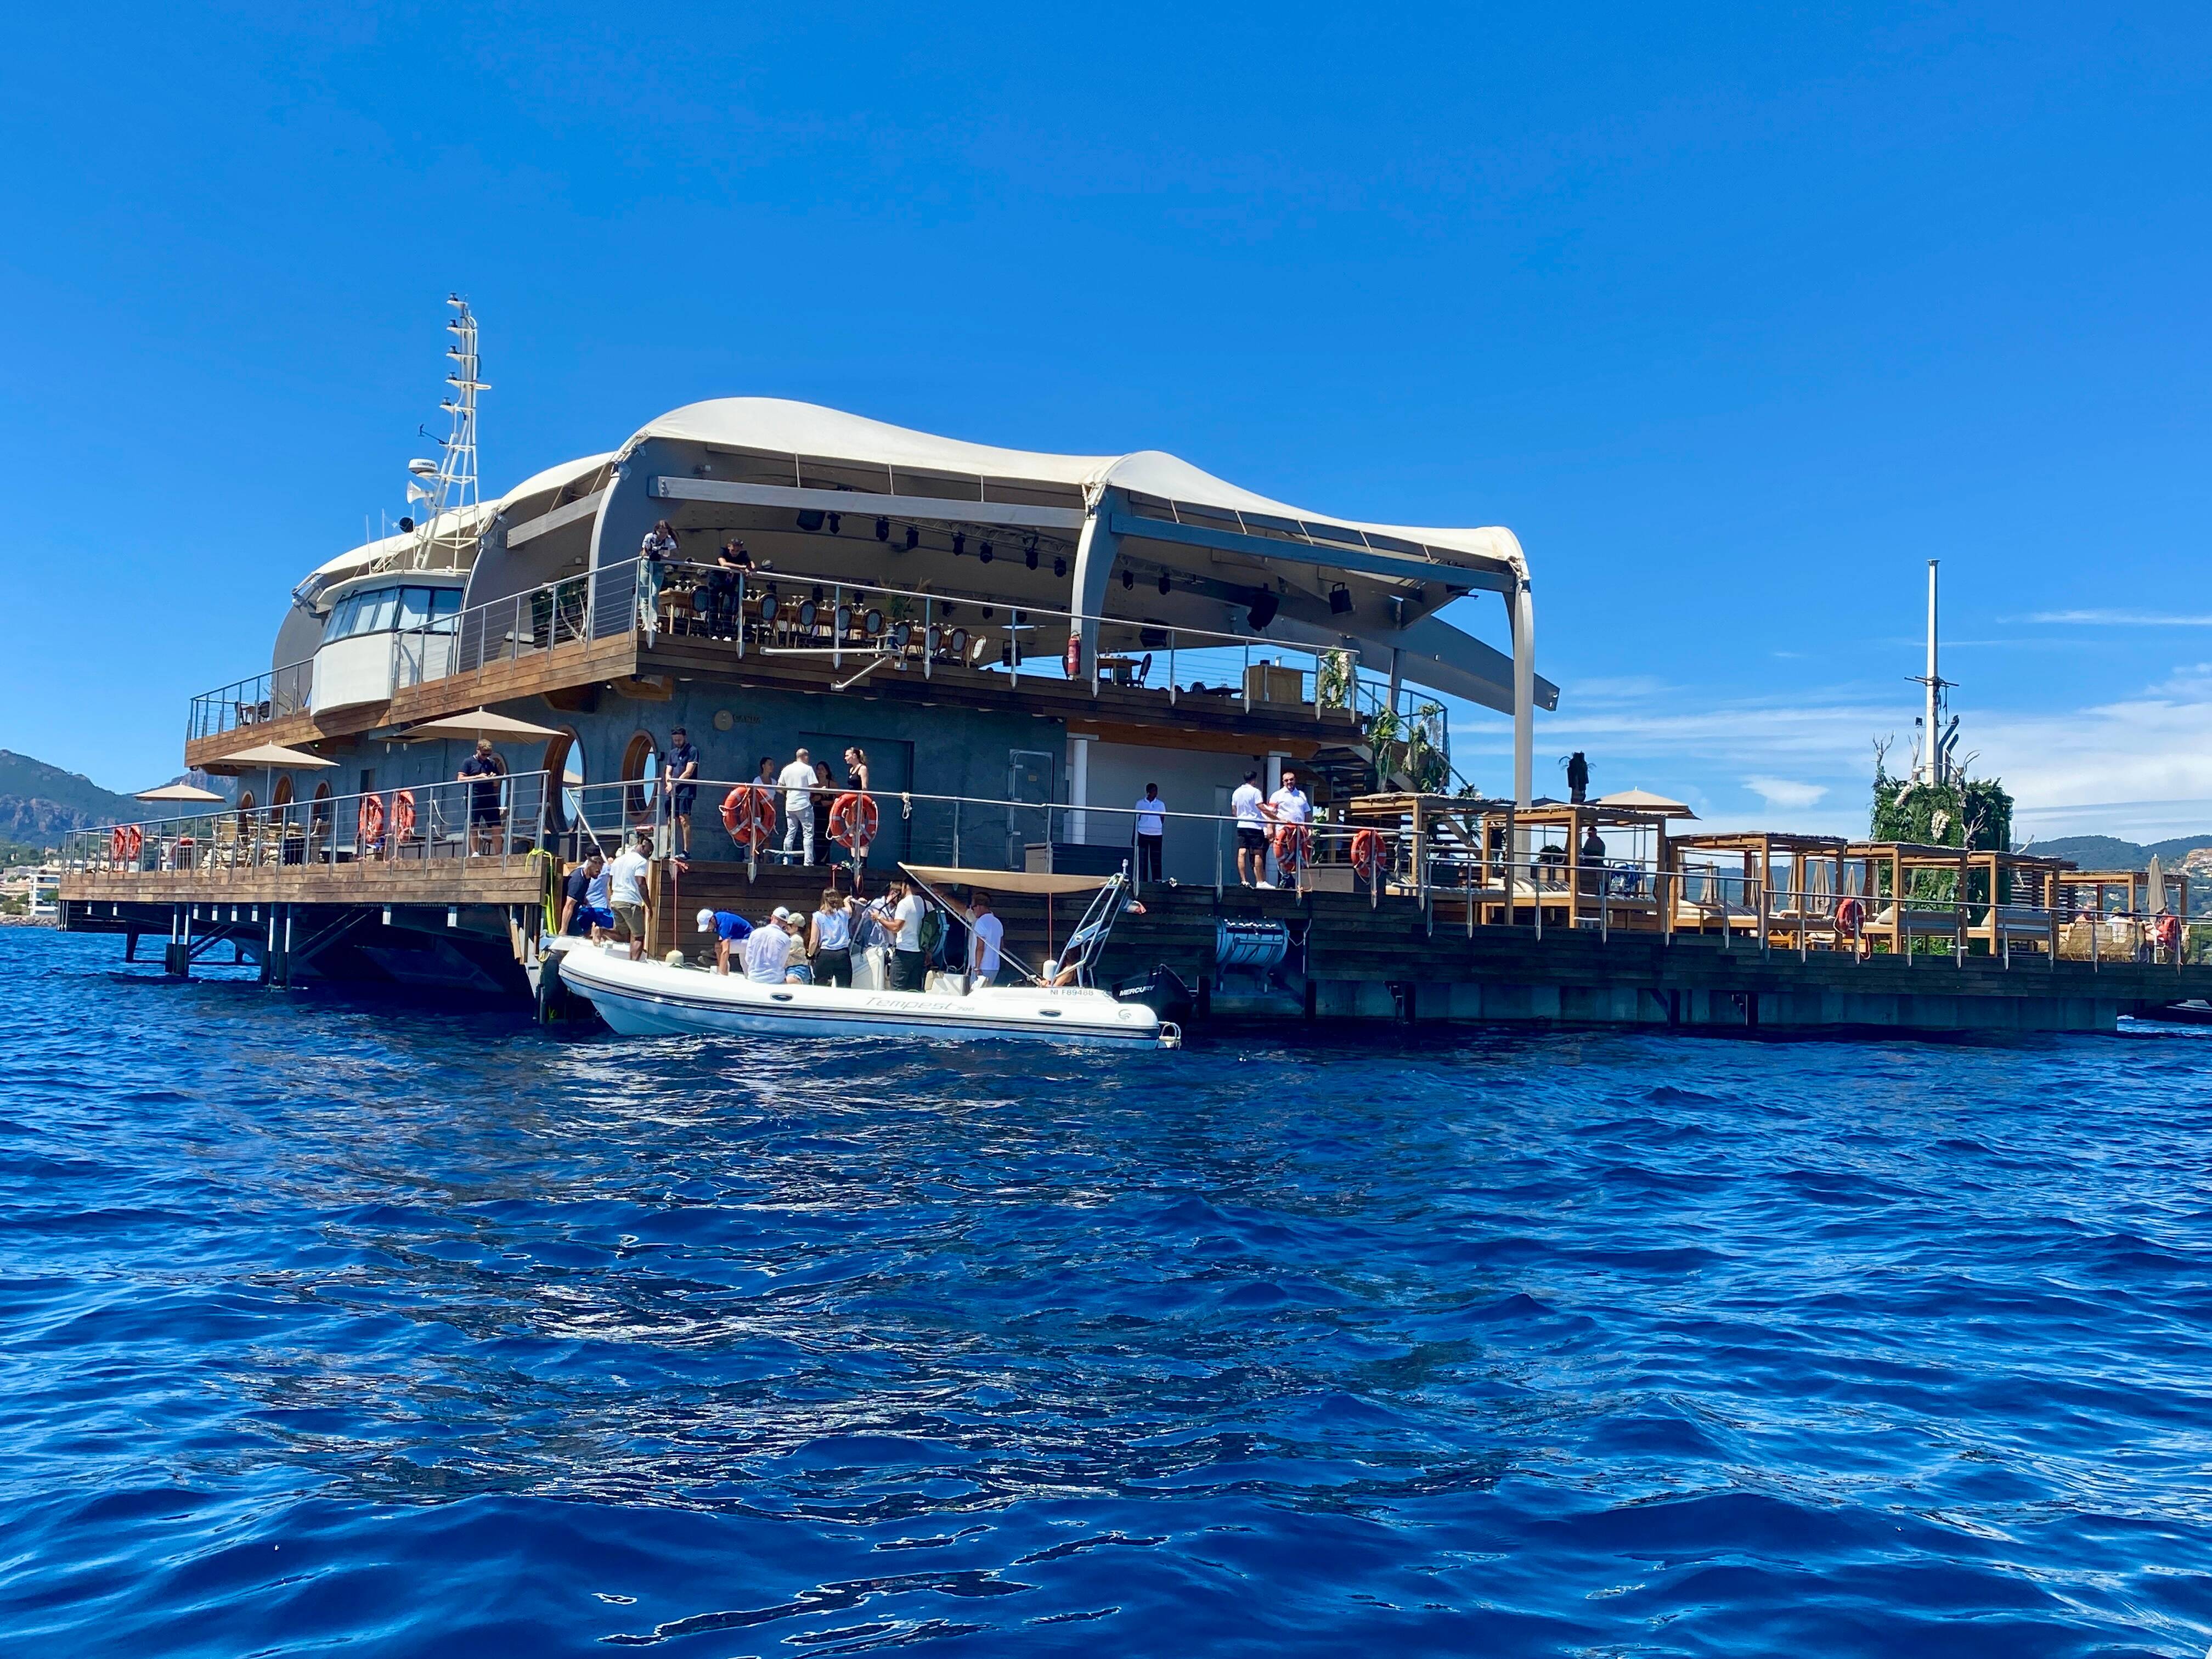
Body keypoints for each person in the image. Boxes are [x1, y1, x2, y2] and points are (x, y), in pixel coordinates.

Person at [606, 830, 654, 960]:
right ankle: (633, 964)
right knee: (639, 935)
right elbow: (641, 884)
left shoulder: (618, 860)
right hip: (630, 902)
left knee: (623, 935)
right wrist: (649, 906)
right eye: (649, 852)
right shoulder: (641, 861)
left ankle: (601, 931)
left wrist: (612, 897)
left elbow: (610, 882)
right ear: (642, 846)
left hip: (616, 901)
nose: (648, 856)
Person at [456, 737, 508, 855]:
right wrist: (478, 777)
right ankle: (475, 852)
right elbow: (460, 779)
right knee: (474, 825)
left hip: (490, 798)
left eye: (488, 755)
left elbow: (496, 784)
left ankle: (498, 853)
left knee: (496, 826)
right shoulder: (468, 762)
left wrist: (494, 778)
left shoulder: (492, 763)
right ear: (477, 750)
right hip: (474, 797)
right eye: (484, 754)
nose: (486, 757)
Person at [1266, 768, 1313, 889]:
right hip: (1284, 832)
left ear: (1295, 780)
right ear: (1283, 782)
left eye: (1291, 780)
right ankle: (1285, 879)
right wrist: (1270, 829)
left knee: (1299, 855)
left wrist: (1309, 828)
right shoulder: (1277, 795)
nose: (1289, 782)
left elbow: (1307, 813)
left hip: (1300, 832)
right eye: (1286, 780)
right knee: (1284, 856)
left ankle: (1297, 882)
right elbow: (1271, 814)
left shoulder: (1301, 794)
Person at [879, 878, 929, 991]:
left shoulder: (904, 904)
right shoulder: (925, 903)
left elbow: (896, 927)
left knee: (897, 987)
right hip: (919, 953)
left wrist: (880, 919)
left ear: (905, 886)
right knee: (914, 989)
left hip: (904, 952)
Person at [777, 748, 821, 865]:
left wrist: (788, 795)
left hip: (790, 805)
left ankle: (786, 859)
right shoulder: (808, 769)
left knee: (791, 832)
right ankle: (808, 861)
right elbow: (813, 787)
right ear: (805, 756)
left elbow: (780, 788)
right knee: (808, 834)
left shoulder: (787, 769)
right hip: (804, 805)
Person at [664, 725, 701, 855]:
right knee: (670, 820)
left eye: (679, 739)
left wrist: (674, 784)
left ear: (685, 737)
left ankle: (686, 851)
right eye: (675, 740)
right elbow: (668, 771)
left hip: (685, 790)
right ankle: (669, 849)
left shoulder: (692, 751)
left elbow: (689, 772)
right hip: (672, 791)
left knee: (684, 819)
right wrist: (669, 783)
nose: (677, 742)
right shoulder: (672, 753)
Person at [809, 887, 855, 987]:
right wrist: (846, 901)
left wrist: (810, 954)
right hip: (843, 954)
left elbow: (813, 940)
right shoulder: (844, 913)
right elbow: (850, 911)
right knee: (845, 987)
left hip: (826, 954)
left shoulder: (818, 916)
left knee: (819, 986)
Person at [958, 890, 1004, 990]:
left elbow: (980, 948)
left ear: (978, 906)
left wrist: (977, 968)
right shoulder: (997, 922)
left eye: (972, 908)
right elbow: (1001, 946)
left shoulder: (981, 922)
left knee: (975, 994)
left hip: (982, 968)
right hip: (994, 967)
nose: (972, 911)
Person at [560, 851, 611, 939]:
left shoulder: (587, 878)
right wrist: (563, 931)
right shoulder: (578, 880)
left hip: (578, 912)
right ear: (591, 865)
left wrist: (584, 900)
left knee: (587, 933)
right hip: (567, 916)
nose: (599, 873)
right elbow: (568, 906)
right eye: (597, 870)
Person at [1231, 770, 1268, 888]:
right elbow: (1261, 807)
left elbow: (1234, 810)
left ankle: (1244, 880)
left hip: (1242, 825)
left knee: (1242, 852)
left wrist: (1241, 817)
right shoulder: (1256, 792)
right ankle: (1260, 882)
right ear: (1254, 780)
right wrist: (1275, 818)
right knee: (1258, 853)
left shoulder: (1236, 792)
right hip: (1255, 826)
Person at [742, 907, 795, 984]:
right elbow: (782, 963)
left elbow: (748, 959)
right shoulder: (786, 939)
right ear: (785, 924)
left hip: (754, 978)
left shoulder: (755, 933)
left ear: (772, 918)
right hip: (776, 981)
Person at [696, 905, 753, 974]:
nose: (707, 930)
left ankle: (723, 973)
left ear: (712, 920)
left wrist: (722, 973)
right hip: (743, 941)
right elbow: (722, 939)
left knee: (719, 946)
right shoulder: (719, 918)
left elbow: (726, 950)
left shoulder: (724, 924)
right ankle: (723, 968)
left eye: (708, 926)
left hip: (749, 942)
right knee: (747, 970)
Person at [1132, 783, 1166, 883]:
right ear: (1148, 792)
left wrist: (1156, 826)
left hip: (1157, 834)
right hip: (1143, 833)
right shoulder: (1140, 803)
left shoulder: (1161, 804)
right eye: (1153, 791)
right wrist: (1134, 835)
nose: (1155, 793)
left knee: (1156, 858)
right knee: (1143, 858)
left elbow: (1162, 818)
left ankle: (1157, 880)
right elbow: (1137, 818)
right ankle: (1143, 881)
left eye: (1156, 791)